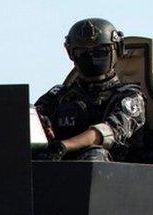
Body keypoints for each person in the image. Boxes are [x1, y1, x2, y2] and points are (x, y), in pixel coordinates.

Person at [35, 18, 147, 162]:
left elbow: (108, 132)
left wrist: (64, 146)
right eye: (82, 53)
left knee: (94, 155)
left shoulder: (129, 97)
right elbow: (29, 120)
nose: (91, 58)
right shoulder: (59, 95)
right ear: (71, 54)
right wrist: (42, 127)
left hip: (114, 174)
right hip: (58, 169)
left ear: (117, 50)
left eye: (101, 52)